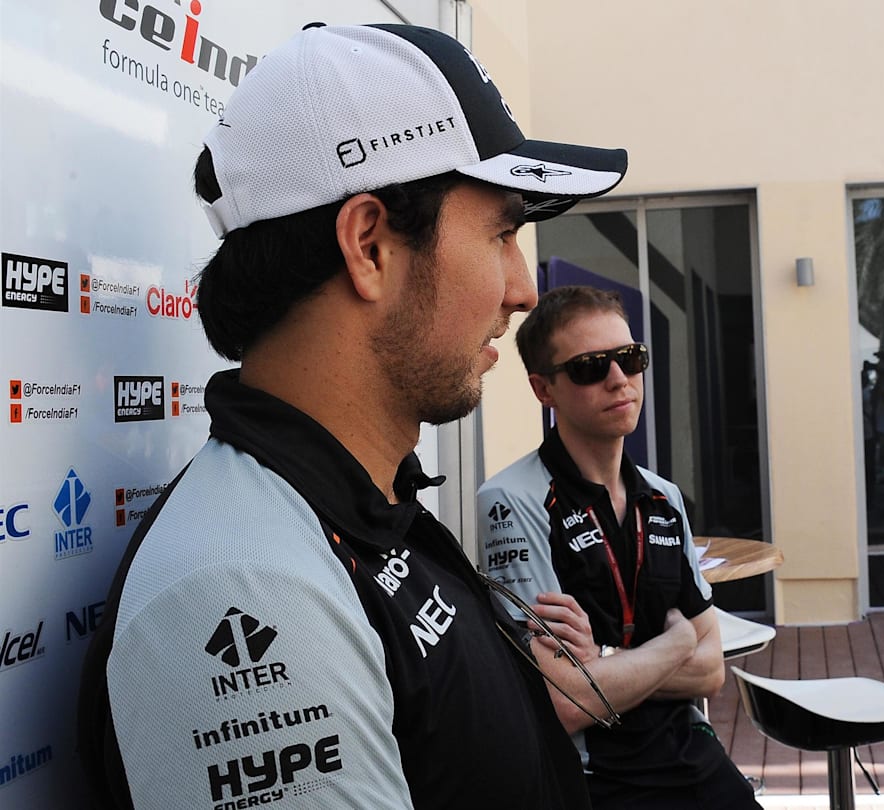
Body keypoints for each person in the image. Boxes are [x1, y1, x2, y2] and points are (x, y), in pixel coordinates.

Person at [76, 24, 629, 809]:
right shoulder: (248, 583)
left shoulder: (357, 509)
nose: (523, 288)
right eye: (502, 232)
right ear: (369, 244)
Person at [476, 285, 761, 810]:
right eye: (589, 366)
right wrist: (675, 645)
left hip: (689, 753)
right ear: (545, 390)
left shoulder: (664, 497)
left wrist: (606, 661)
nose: (618, 379)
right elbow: (568, 699)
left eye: (630, 359)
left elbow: (712, 670)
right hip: (598, 779)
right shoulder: (510, 501)